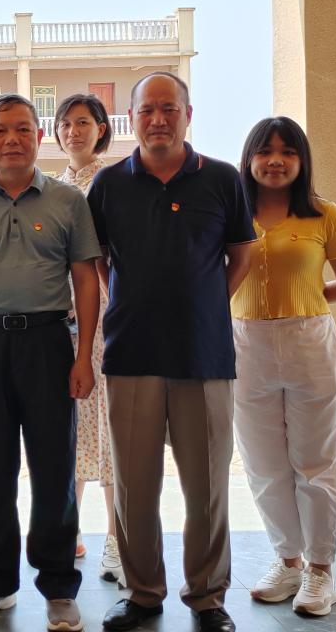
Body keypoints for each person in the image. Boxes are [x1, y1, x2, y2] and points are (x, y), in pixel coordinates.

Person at [86, 72, 256, 632]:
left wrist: (205, 302)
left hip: (203, 354)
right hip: (131, 351)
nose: (158, 119)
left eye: (169, 108)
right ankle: (143, 594)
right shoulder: (109, 184)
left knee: (206, 486)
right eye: (147, 110)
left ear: (188, 114)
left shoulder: (223, 179)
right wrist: (130, 300)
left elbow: (241, 254)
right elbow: (99, 260)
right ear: (132, 118)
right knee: (134, 486)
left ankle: (207, 597)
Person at [0, 93, 101, 631]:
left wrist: (83, 355)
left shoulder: (67, 201)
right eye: (0, 130)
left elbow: (86, 278)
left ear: (39, 137)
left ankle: (58, 586)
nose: (11, 139)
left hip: (49, 342)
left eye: (22, 129)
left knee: (55, 469)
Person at [231, 116, 336, 616]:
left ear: (302, 160)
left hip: (309, 342)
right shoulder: (230, 213)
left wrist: (307, 296)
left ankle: (321, 571)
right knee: (264, 463)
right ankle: (288, 561)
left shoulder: (327, 215)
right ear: (249, 159)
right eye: (265, 151)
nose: (276, 161)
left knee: (316, 461)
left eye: (288, 151)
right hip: (246, 344)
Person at [52, 93, 122, 583]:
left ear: (101, 129)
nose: (73, 131)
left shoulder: (116, 183)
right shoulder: (52, 188)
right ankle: (68, 529)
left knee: (111, 428)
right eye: (65, 123)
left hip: (109, 321)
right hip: (63, 323)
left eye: (83, 122)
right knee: (69, 426)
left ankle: (116, 537)